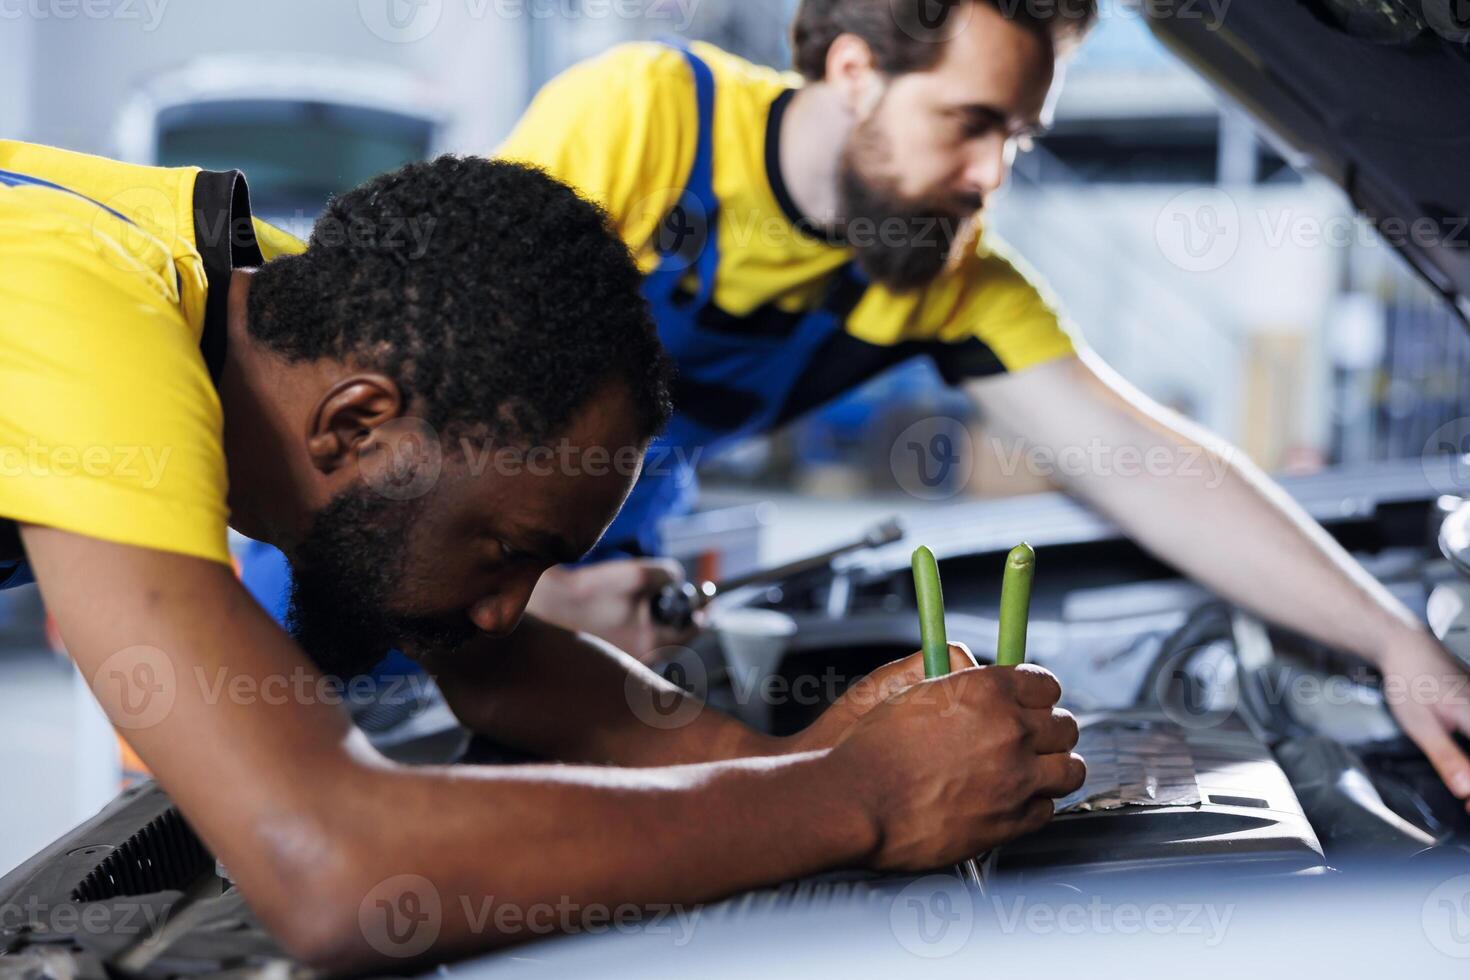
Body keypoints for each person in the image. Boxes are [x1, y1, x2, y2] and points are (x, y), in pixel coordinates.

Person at [0, 140, 1083, 969]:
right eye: (507, 550)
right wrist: (867, 799)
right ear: (354, 423)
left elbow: (498, 664)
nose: (501, 610)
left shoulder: (303, 319)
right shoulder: (76, 313)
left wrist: (796, 756)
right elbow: (325, 866)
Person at [485, 0, 1470, 806]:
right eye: (971, 122)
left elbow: (1147, 462)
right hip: (447, 558)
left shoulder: (945, 275)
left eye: (1018, 139)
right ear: (856, 71)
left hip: (619, 578)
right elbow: (430, 400)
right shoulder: (649, 117)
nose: (990, 175)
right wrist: (516, 602)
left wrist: (1394, 641)